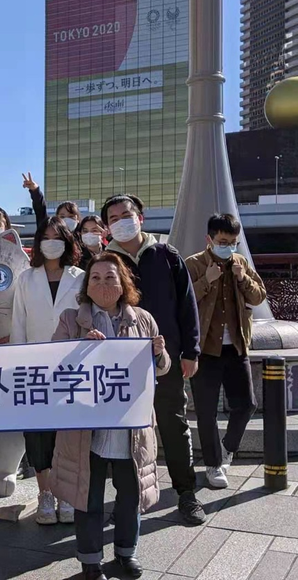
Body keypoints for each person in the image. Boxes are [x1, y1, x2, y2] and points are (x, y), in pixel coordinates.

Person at [50, 252, 169, 580]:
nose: (103, 284)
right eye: (96, 278)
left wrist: (159, 354)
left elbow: (162, 368)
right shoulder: (71, 319)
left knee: (129, 496)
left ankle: (125, 555)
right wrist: (80, 349)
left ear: (124, 284)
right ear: (87, 285)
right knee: (87, 496)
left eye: (111, 277)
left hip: (131, 427)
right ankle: (90, 562)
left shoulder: (142, 319)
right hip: (86, 428)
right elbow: (55, 365)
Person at [102, 194, 205, 526]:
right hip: (121, 364)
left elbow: (187, 306)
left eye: (126, 215)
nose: (121, 221)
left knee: (174, 424)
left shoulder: (166, 254)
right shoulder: (106, 262)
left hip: (166, 357)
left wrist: (190, 351)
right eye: (113, 218)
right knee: (128, 431)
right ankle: (129, 497)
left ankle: (186, 493)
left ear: (140, 218)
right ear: (107, 226)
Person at [11, 216, 85, 525]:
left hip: (72, 367)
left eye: (58, 237)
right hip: (34, 367)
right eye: (46, 237)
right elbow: (18, 323)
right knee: (38, 434)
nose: (51, 242)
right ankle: (45, 494)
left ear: (68, 242)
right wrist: (16, 365)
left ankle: (66, 494)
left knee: (67, 434)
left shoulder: (80, 277)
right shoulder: (26, 278)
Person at [185, 214, 266, 488]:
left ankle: (227, 448)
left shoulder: (240, 263)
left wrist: (242, 279)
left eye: (233, 242)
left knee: (247, 404)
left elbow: (259, 296)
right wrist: (207, 280)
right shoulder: (194, 264)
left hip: (237, 346)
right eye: (223, 241)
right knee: (206, 411)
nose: (229, 247)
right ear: (209, 239)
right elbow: (183, 303)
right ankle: (213, 464)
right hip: (205, 348)